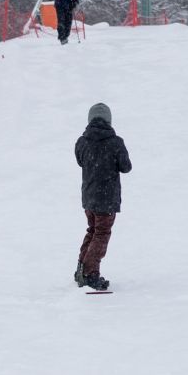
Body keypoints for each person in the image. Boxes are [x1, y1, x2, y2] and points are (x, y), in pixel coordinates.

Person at [73, 102, 131, 292]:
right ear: (109, 120)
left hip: (89, 197)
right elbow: (126, 167)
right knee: (101, 234)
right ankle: (91, 274)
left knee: (92, 230)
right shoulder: (115, 142)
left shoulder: (82, 142)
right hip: (106, 199)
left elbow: (80, 161)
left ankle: (81, 268)